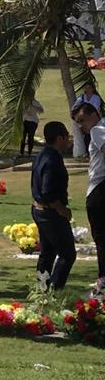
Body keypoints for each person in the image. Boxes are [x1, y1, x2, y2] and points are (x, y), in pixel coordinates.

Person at [31, 121, 76, 291]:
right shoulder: (52, 159)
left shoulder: (42, 154)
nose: (67, 142)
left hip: (39, 210)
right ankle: (54, 289)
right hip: (50, 212)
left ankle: (42, 287)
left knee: (48, 252)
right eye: (66, 138)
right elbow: (48, 190)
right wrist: (61, 210)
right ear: (59, 138)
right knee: (67, 253)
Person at [71, 101, 105, 295]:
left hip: (99, 189)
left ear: (95, 114)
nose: (82, 126)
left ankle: (102, 281)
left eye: (83, 120)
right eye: (78, 123)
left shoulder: (98, 130)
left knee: (100, 238)